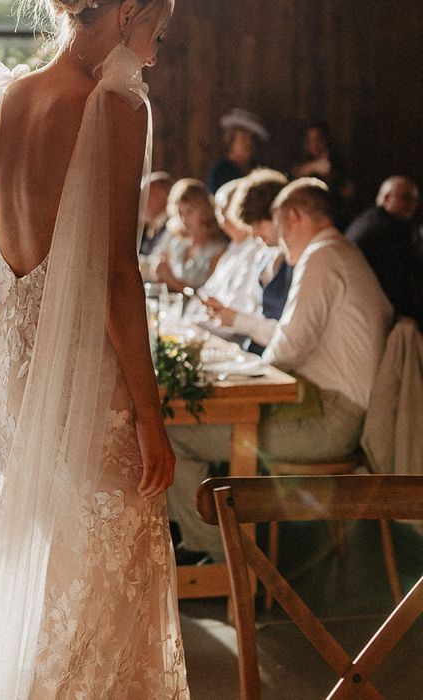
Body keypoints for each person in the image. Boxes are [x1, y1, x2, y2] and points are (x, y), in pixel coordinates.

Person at [0, 1, 189, 698]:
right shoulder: (116, 107)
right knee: (110, 566)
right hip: (82, 374)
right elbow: (117, 274)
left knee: (49, 555)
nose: (155, 52)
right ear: (128, 11)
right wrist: (151, 415)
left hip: (11, 372)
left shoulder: (11, 97)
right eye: (158, 32)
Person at [167, 179, 393, 561]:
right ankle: (212, 548)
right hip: (330, 408)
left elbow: (287, 349)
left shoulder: (321, 256)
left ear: (294, 216)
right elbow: (292, 335)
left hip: (330, 420)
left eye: (277, 227)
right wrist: (238, 322)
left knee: (175, 433)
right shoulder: (338, 252)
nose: (276, 242)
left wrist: (240, 381)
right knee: (192, 419)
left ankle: (219, 560)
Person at [203, 168, 290, 354]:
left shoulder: (297, 262)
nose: (256, 234)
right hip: (252, 354)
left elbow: (291, 338)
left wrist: (237, 319)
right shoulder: (263, 257)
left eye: (259, 224)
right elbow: (252, 311)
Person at [183, 177, 264, 329]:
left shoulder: (255, 251)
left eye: (223, 209)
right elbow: (205, 292)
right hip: (208, 326)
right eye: (218, 210)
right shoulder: (232, 249)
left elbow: (240, 307)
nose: (220, 217)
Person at [346, 176, 423, 328]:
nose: (412, 205)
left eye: (415, 200)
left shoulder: (368, 219)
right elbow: (406, 280)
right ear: (386, 198)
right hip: (375, 315)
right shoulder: (390, 229)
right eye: (406, 198)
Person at [148, 178, 227, 292]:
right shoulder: (177, 244)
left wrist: (171, 280)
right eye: (180, 213)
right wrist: (159, 274)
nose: (184, 219)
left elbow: (209, 298)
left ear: (204, 211)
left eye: (189, 211)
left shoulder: (218, 250)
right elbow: (162, 283)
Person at [290, 121, 355, 229]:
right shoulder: (301, 163)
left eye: (318, 139)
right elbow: (294, 176)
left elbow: (347, 195)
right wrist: (313, 167)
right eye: (310, 140)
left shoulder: (338, 164)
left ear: (326, 140)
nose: (314, 144)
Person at [206, 108, 268, 194]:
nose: (249, 142)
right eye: (243, 138)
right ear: (232, 139)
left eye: (252, 138)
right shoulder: (220, 171)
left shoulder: (260, 168)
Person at [138, 169, 174, 257]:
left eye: (144, 196)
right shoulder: (151, 229)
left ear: (162, 197)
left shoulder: (173, 229)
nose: (139, 203)